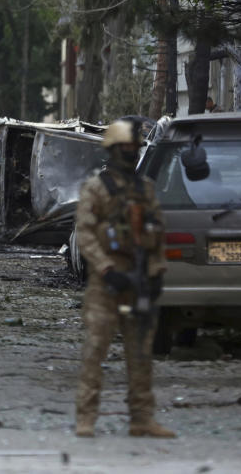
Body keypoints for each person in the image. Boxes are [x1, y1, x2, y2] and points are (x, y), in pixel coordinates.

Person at [73, 119, 175, 439]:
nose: (131, 153)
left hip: (138, 280)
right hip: (106, 284)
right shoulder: (97, 188)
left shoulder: (145, 188)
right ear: (114, 149)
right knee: (95, 350)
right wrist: (106, 268)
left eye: (135, 148)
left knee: (141, 353)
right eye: (126, 148)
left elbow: (157, 233)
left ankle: (142, 418)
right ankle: (86, 417)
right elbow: (86, 234)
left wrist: (157, 271)